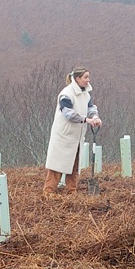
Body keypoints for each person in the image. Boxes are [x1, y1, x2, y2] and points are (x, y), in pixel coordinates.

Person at [43, 67, 102, 195]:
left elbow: (91, 108)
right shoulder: (66, 94)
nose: (88, 80)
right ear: (77, 78)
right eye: (85, 77)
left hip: (77, 137)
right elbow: (69, 114)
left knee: (74, 166)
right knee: (56, 167)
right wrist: (86, 120)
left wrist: (95, 117)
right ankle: (48, 193)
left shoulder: (86, 94)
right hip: (63, 136)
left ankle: (71, 192)